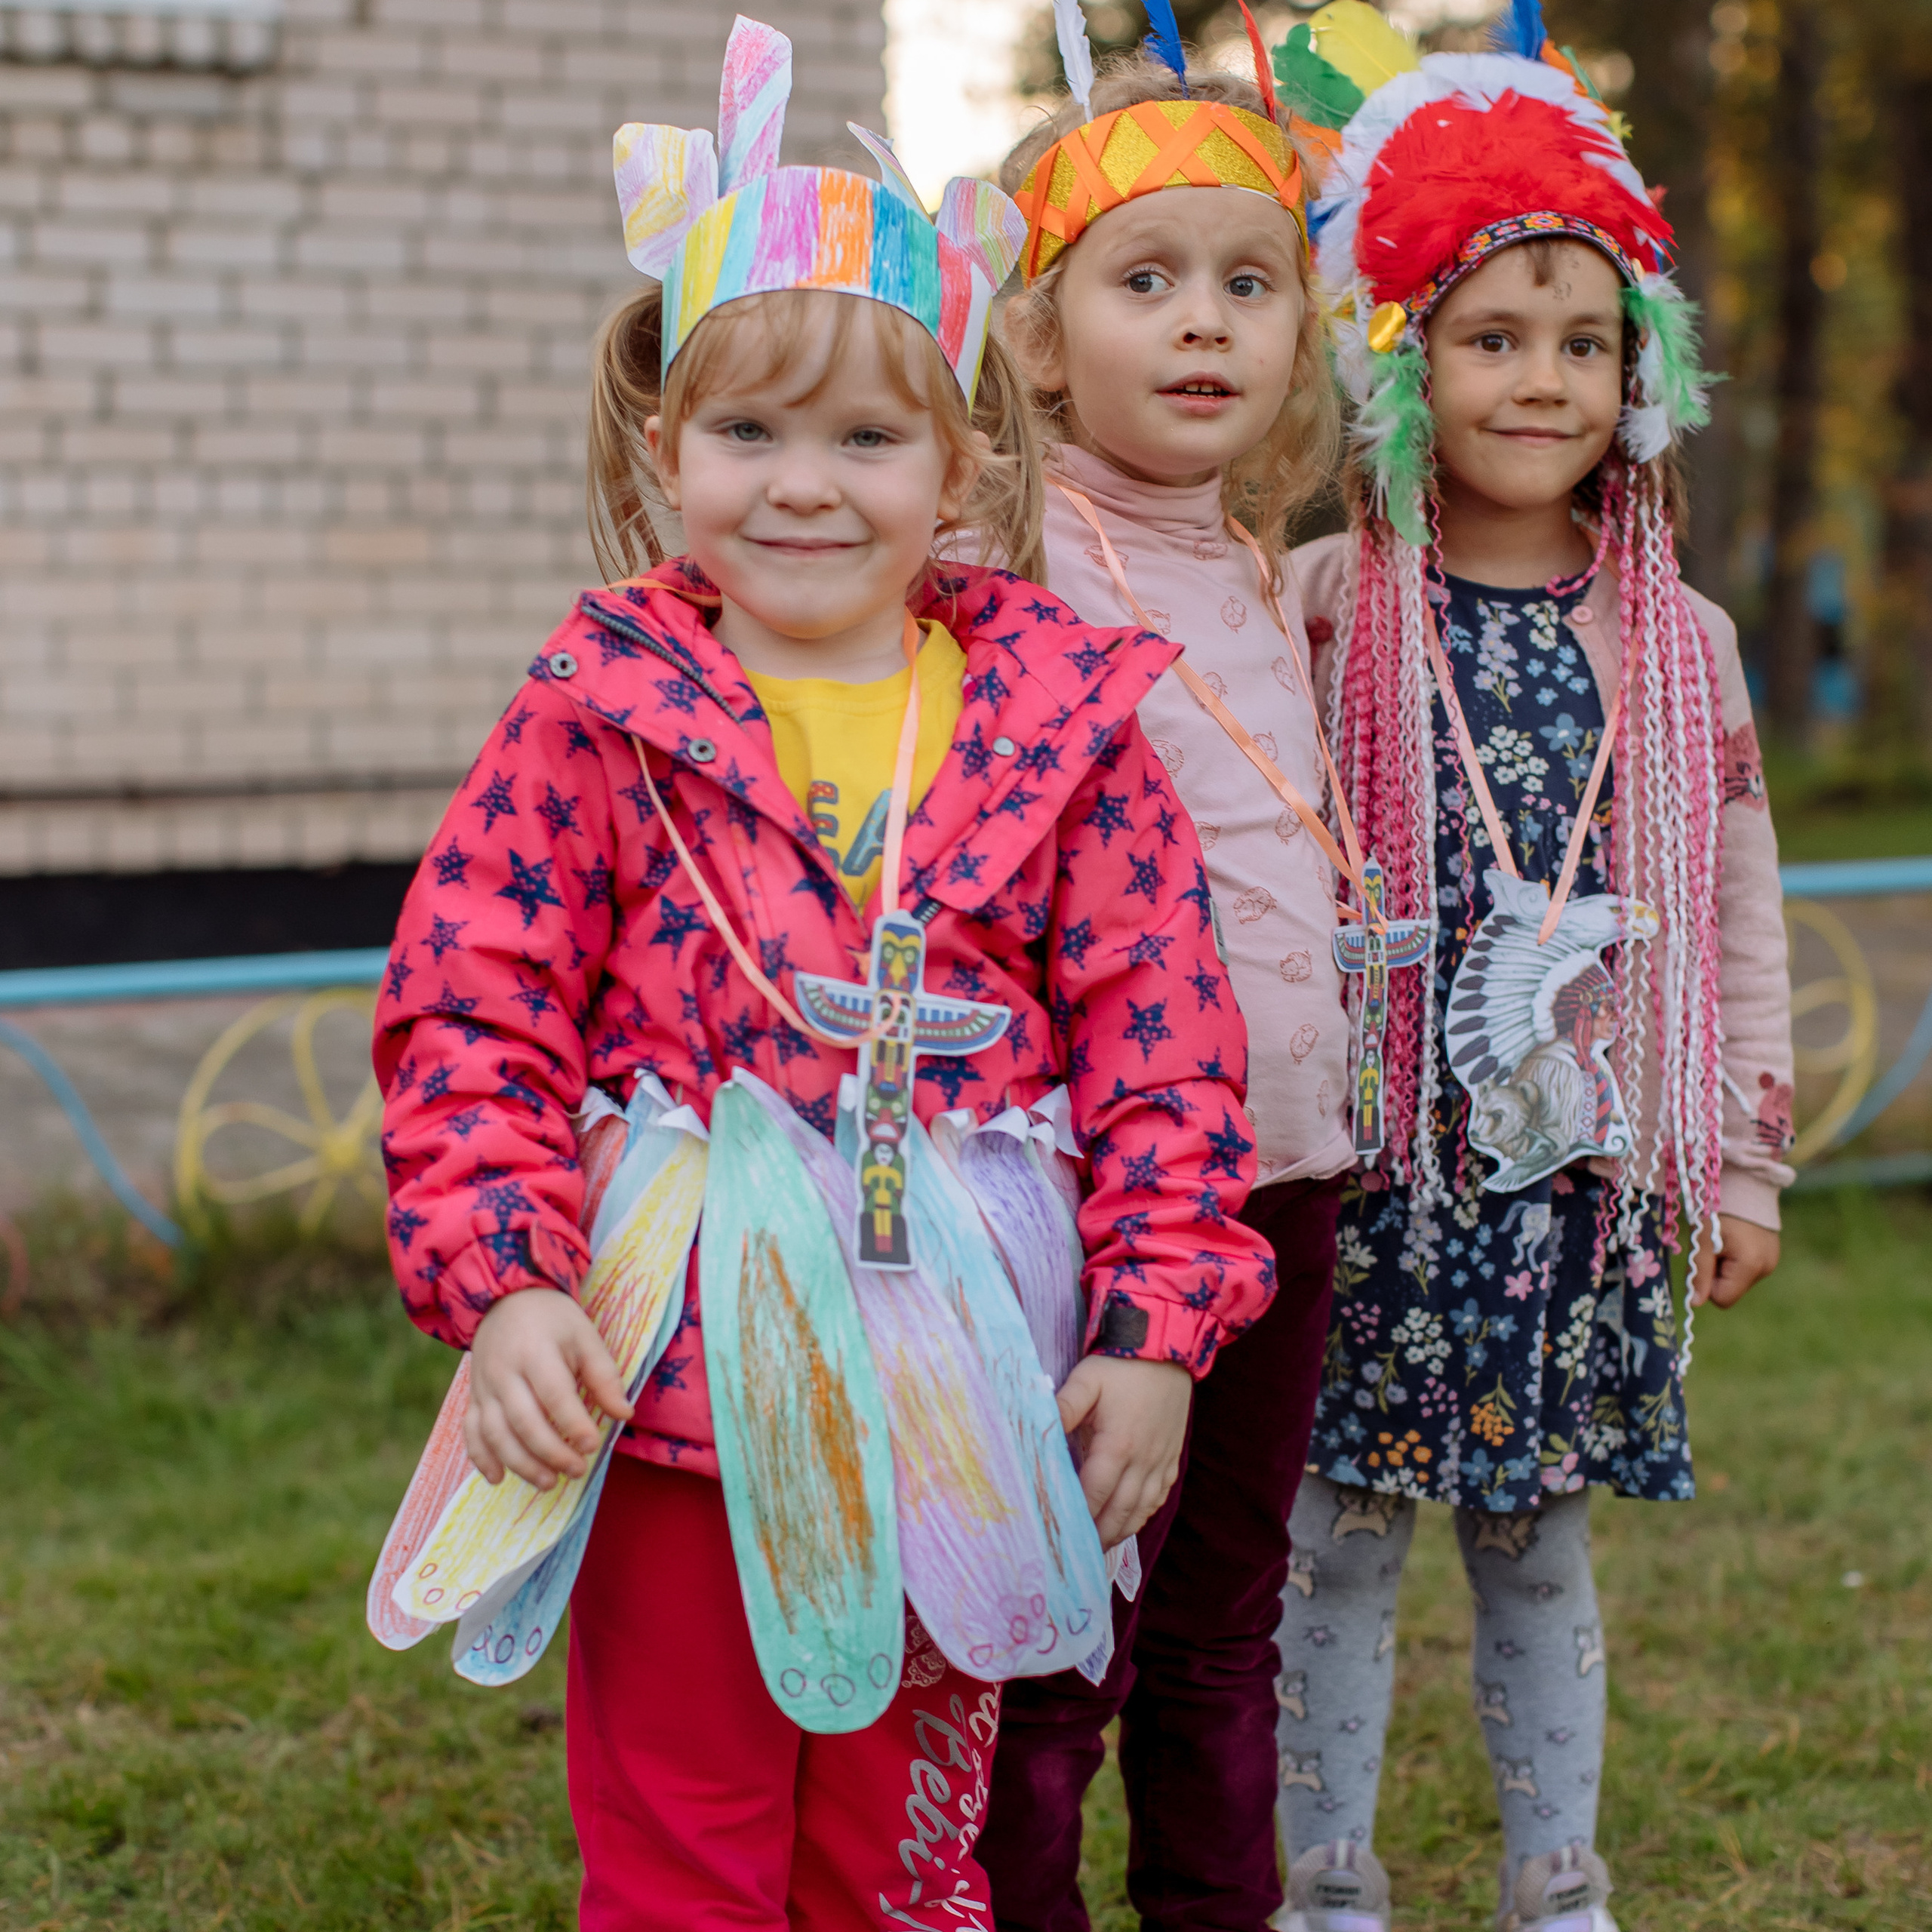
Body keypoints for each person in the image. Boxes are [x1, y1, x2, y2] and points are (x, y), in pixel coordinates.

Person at [372, 21, 1275, 1931]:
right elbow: (472, 1003)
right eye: (749, 432)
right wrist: (511, 1280)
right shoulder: (597, 718)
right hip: (672, 1360)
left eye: (865, 435)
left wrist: (1153, 1327)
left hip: (956, 1380)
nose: (804, 485)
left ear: (954, 458)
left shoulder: (1059, 728)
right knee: (690, 1837)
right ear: (662, 450)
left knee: (895, 1845)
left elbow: (1163, 1044)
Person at [1271, 7, 1796, 1929]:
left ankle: (1552, 1882)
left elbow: (1733, 905)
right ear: (1401, 363)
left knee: (1534, 1544)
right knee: (1326, 1545)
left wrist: (1738, 1154)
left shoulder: (1682, 637)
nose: (1540, 377)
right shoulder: (1322, 603)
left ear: (1637, 372)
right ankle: (1325, 1883)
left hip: (1574, 1187)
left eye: (1584, 343)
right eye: (1492, 336)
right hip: (1370, 1176)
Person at [975, 15, 1354, 1929]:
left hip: (1286, 1177)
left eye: (1245, 283)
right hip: (1084, 1200)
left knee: (1224, 1617)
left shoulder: (1273, 568)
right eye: (1144, 281)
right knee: (1054, 1637)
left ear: (1299, 330)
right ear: (1043, 338)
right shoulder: (994, 551)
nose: (1200, 323)